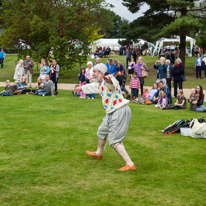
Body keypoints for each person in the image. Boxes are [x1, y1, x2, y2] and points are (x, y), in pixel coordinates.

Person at [76, 63, 136, 171]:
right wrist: (81, 88)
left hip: (119, 110)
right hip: (111, 112)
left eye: (95, 71)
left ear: (102, 73)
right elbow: (93, 87)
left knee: (114, 140)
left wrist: (109, 79)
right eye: (92, 71)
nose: (92, 73)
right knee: (102, 131)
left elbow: (113, 84)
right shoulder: (100, 84)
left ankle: (130, 164)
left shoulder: (109, 80)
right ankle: (99, 153)